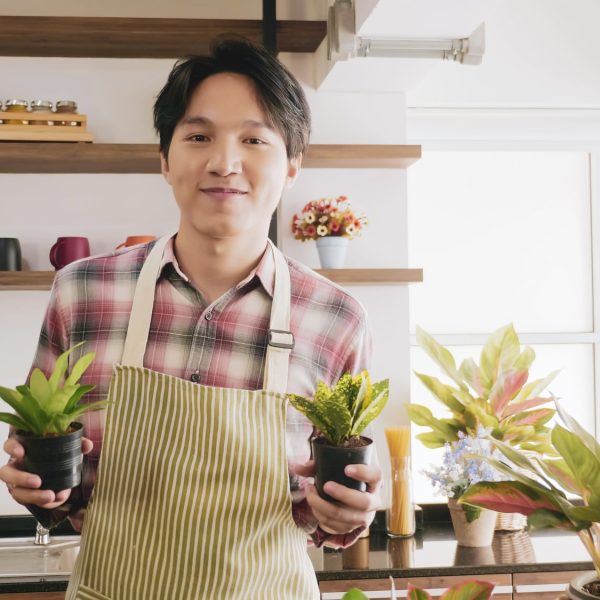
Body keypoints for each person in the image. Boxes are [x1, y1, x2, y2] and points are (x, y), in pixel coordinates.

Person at [0, 38, 382, 599]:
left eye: (254, 139)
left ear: (293, 165)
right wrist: (35, 487)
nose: (224, 163)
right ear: (165, 157)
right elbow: (44, 459)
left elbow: (333, 512)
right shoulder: (82, 291)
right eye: (198, 136)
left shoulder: (336, 318)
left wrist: (348, 514)